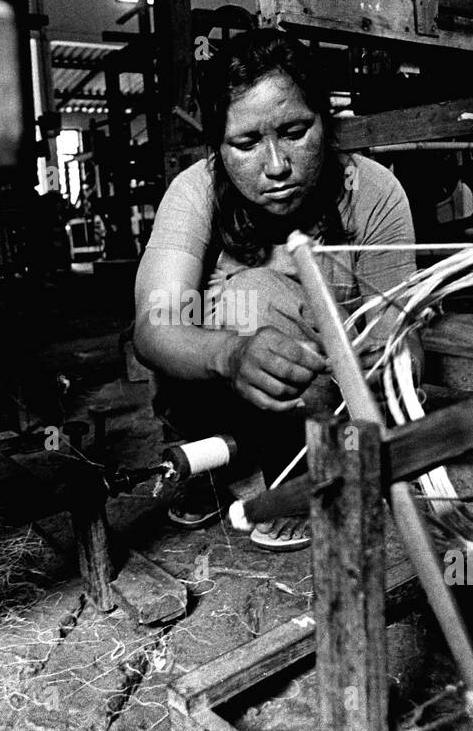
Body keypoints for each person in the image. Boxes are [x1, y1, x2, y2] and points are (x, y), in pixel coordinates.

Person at [132, 29, 416, 550]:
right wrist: (232, 353)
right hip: (212, 396)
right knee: (254, 296)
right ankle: (216, 460)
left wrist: (388, 365)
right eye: (246, 144)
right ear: (217, 146)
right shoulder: (195, 192)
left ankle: (298, 469)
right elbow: (153, 328)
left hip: (327, 399)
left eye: (295, 131)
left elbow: (398, 334)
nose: (277, 166)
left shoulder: (373, 191)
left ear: (325, 122)